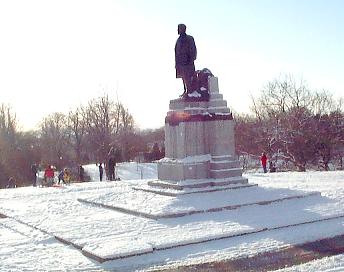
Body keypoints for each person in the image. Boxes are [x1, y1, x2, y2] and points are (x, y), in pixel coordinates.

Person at [175, 23, 197, 97]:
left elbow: (193, 49)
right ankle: (186, 90)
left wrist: (192, 59)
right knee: (183, 77)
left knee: (188, 77)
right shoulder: (178, 40)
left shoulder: (189, 38)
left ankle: (190, 91)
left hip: (187, 62)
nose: (178, 30)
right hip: (180, 62)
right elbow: (177, 52)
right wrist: (176, 64)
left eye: (179, 28)